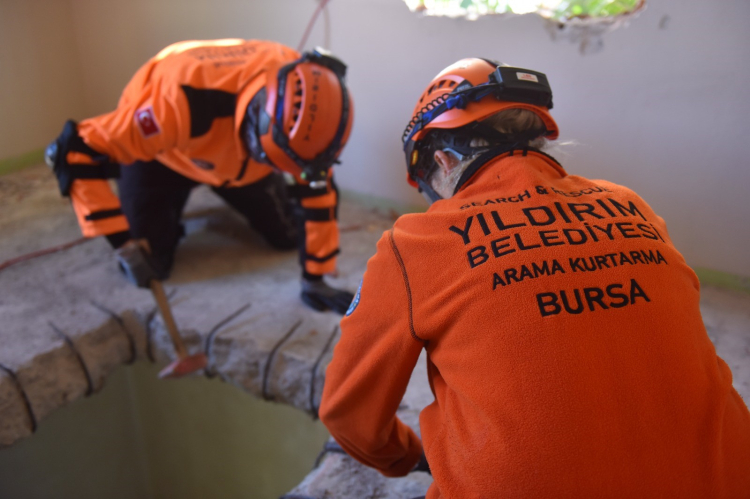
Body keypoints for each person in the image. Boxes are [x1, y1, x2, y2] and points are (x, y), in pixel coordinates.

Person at [319, 58, 750, 497]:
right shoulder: (631, 204)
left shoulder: (414, 243)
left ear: (443, 161)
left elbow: (348, 414)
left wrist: (411, 456)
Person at [45, 39, 355, 314]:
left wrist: (316, 277)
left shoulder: (309, 127)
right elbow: (75, 148)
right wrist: (122, 244)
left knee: (288, 237)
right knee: (152, 264)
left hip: (241, 168)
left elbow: (318, 196)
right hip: (162, 158)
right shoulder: (174, 101)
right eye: (278, 164)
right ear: (257, 125)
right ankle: (167, 209)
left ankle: (223, 193)